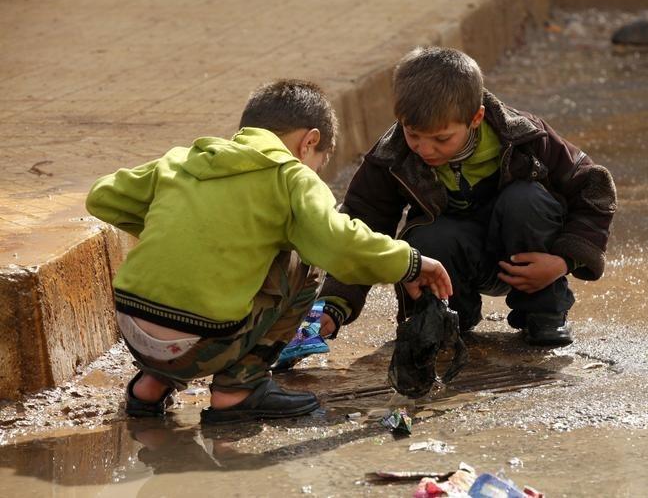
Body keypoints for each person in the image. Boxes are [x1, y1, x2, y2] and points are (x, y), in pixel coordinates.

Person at [85, 80, 451, 423]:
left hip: (131, 327)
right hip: (201, 340)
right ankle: (238, 390)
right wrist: (411, 262)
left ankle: (150, 387)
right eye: (320, 162)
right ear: (309, 142)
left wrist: (182, 231)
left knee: (195, 280)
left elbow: (102, 196)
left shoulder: (181, 161)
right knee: (306, 260)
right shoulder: (291, 176)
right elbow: (338, 244)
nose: (316, 170)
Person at [317, 47, 616, 347]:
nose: (424, 148)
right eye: (413, 134)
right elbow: (362, 224)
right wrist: (334, 304)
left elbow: (594, 186)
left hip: (529, 259)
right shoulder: (392, 156)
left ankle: (544, 314)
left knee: (525, 200)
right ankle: (444, 319)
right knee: (426, 239)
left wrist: (562, 262)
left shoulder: (525, 136)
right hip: (452, 264)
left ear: (476, 118)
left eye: (441, 138)